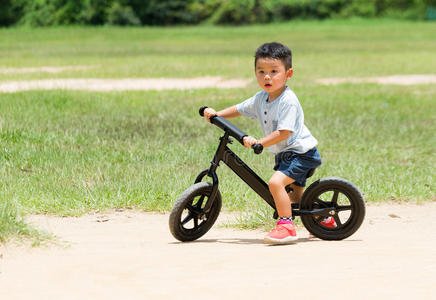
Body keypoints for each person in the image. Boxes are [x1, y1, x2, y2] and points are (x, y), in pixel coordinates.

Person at [203, 42, 332, 243]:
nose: (267, 77)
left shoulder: (288, 101)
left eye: (274, 71)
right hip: (285, 155)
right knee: (296, 197)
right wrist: (217, 114)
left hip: (301, 154)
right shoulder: (261, 98)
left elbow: (284, 132)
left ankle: (286, 226)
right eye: (261, 71)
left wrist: (260, 142)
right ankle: (324, 220)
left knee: (275, 183)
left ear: (288, 74)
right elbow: (240, 108)